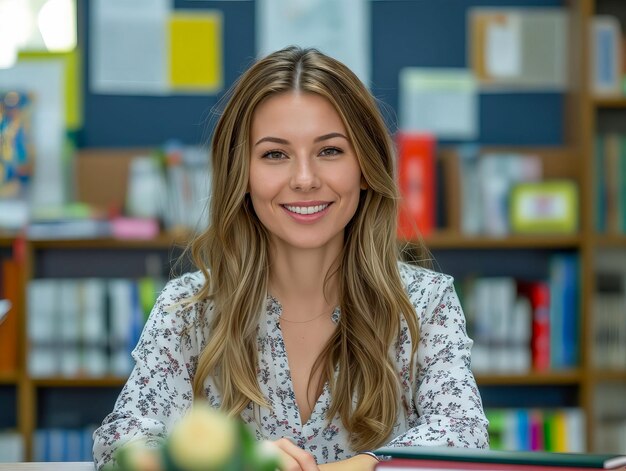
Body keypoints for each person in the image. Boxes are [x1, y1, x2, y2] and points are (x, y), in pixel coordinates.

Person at [93, 46, 489, 471]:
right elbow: (117, 450)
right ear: (241, 172)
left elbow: (464, 438)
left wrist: (359, 466)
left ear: (365, 166)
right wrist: (238, 463)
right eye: (275, 154)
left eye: (330, 151)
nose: (304, 179)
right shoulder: (188, 310)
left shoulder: (424, 302)